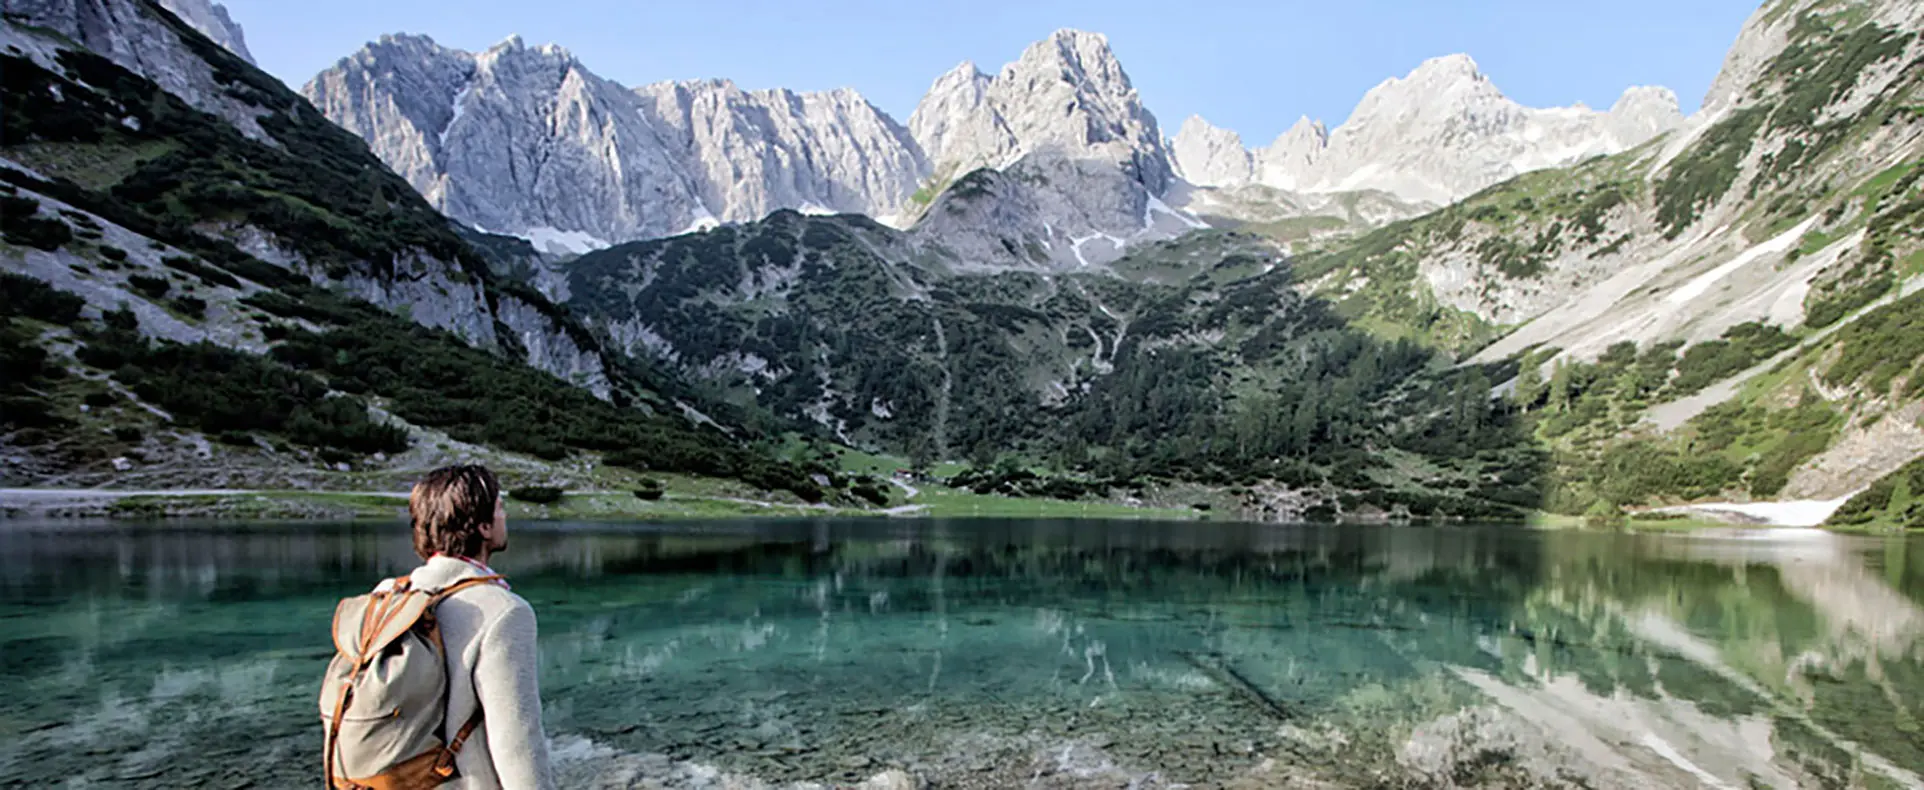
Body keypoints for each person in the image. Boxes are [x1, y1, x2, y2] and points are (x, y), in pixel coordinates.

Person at [398, 464, 558, 790]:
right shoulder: (503, 612)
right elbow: (517, 746)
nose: (504, 517)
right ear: (483, 527)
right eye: (500, 508)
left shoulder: (391, 594)